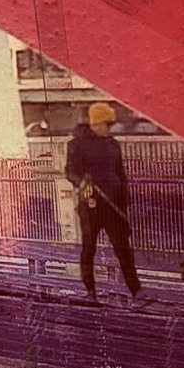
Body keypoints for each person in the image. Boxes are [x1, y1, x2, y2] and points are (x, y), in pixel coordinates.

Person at [65, 102, 147, 305]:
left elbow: (121, 175)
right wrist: (83, 184)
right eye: (104, 125)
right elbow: (71, 172)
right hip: (90, 205)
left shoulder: (113, 145)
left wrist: (124, 203)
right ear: (94, 124)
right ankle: (90, 291)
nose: (107, 129)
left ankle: (136, 291)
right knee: (89, 248)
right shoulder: (77, 144)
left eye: (109, 126)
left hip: (113, 206)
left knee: (123, 248)